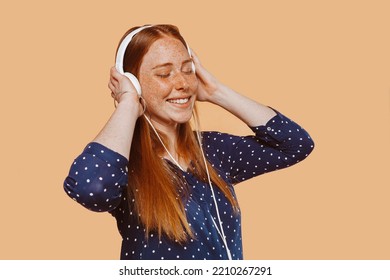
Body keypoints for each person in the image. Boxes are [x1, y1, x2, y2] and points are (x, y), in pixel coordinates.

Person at [63, 24, 315, 260]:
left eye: (187, 69)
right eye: (164, 73)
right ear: (135, 83)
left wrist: (216, 91)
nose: (182, 83)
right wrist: (128, 102)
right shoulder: (124, 164)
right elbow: (90, 188)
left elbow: (295, 144)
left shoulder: (213, 150)